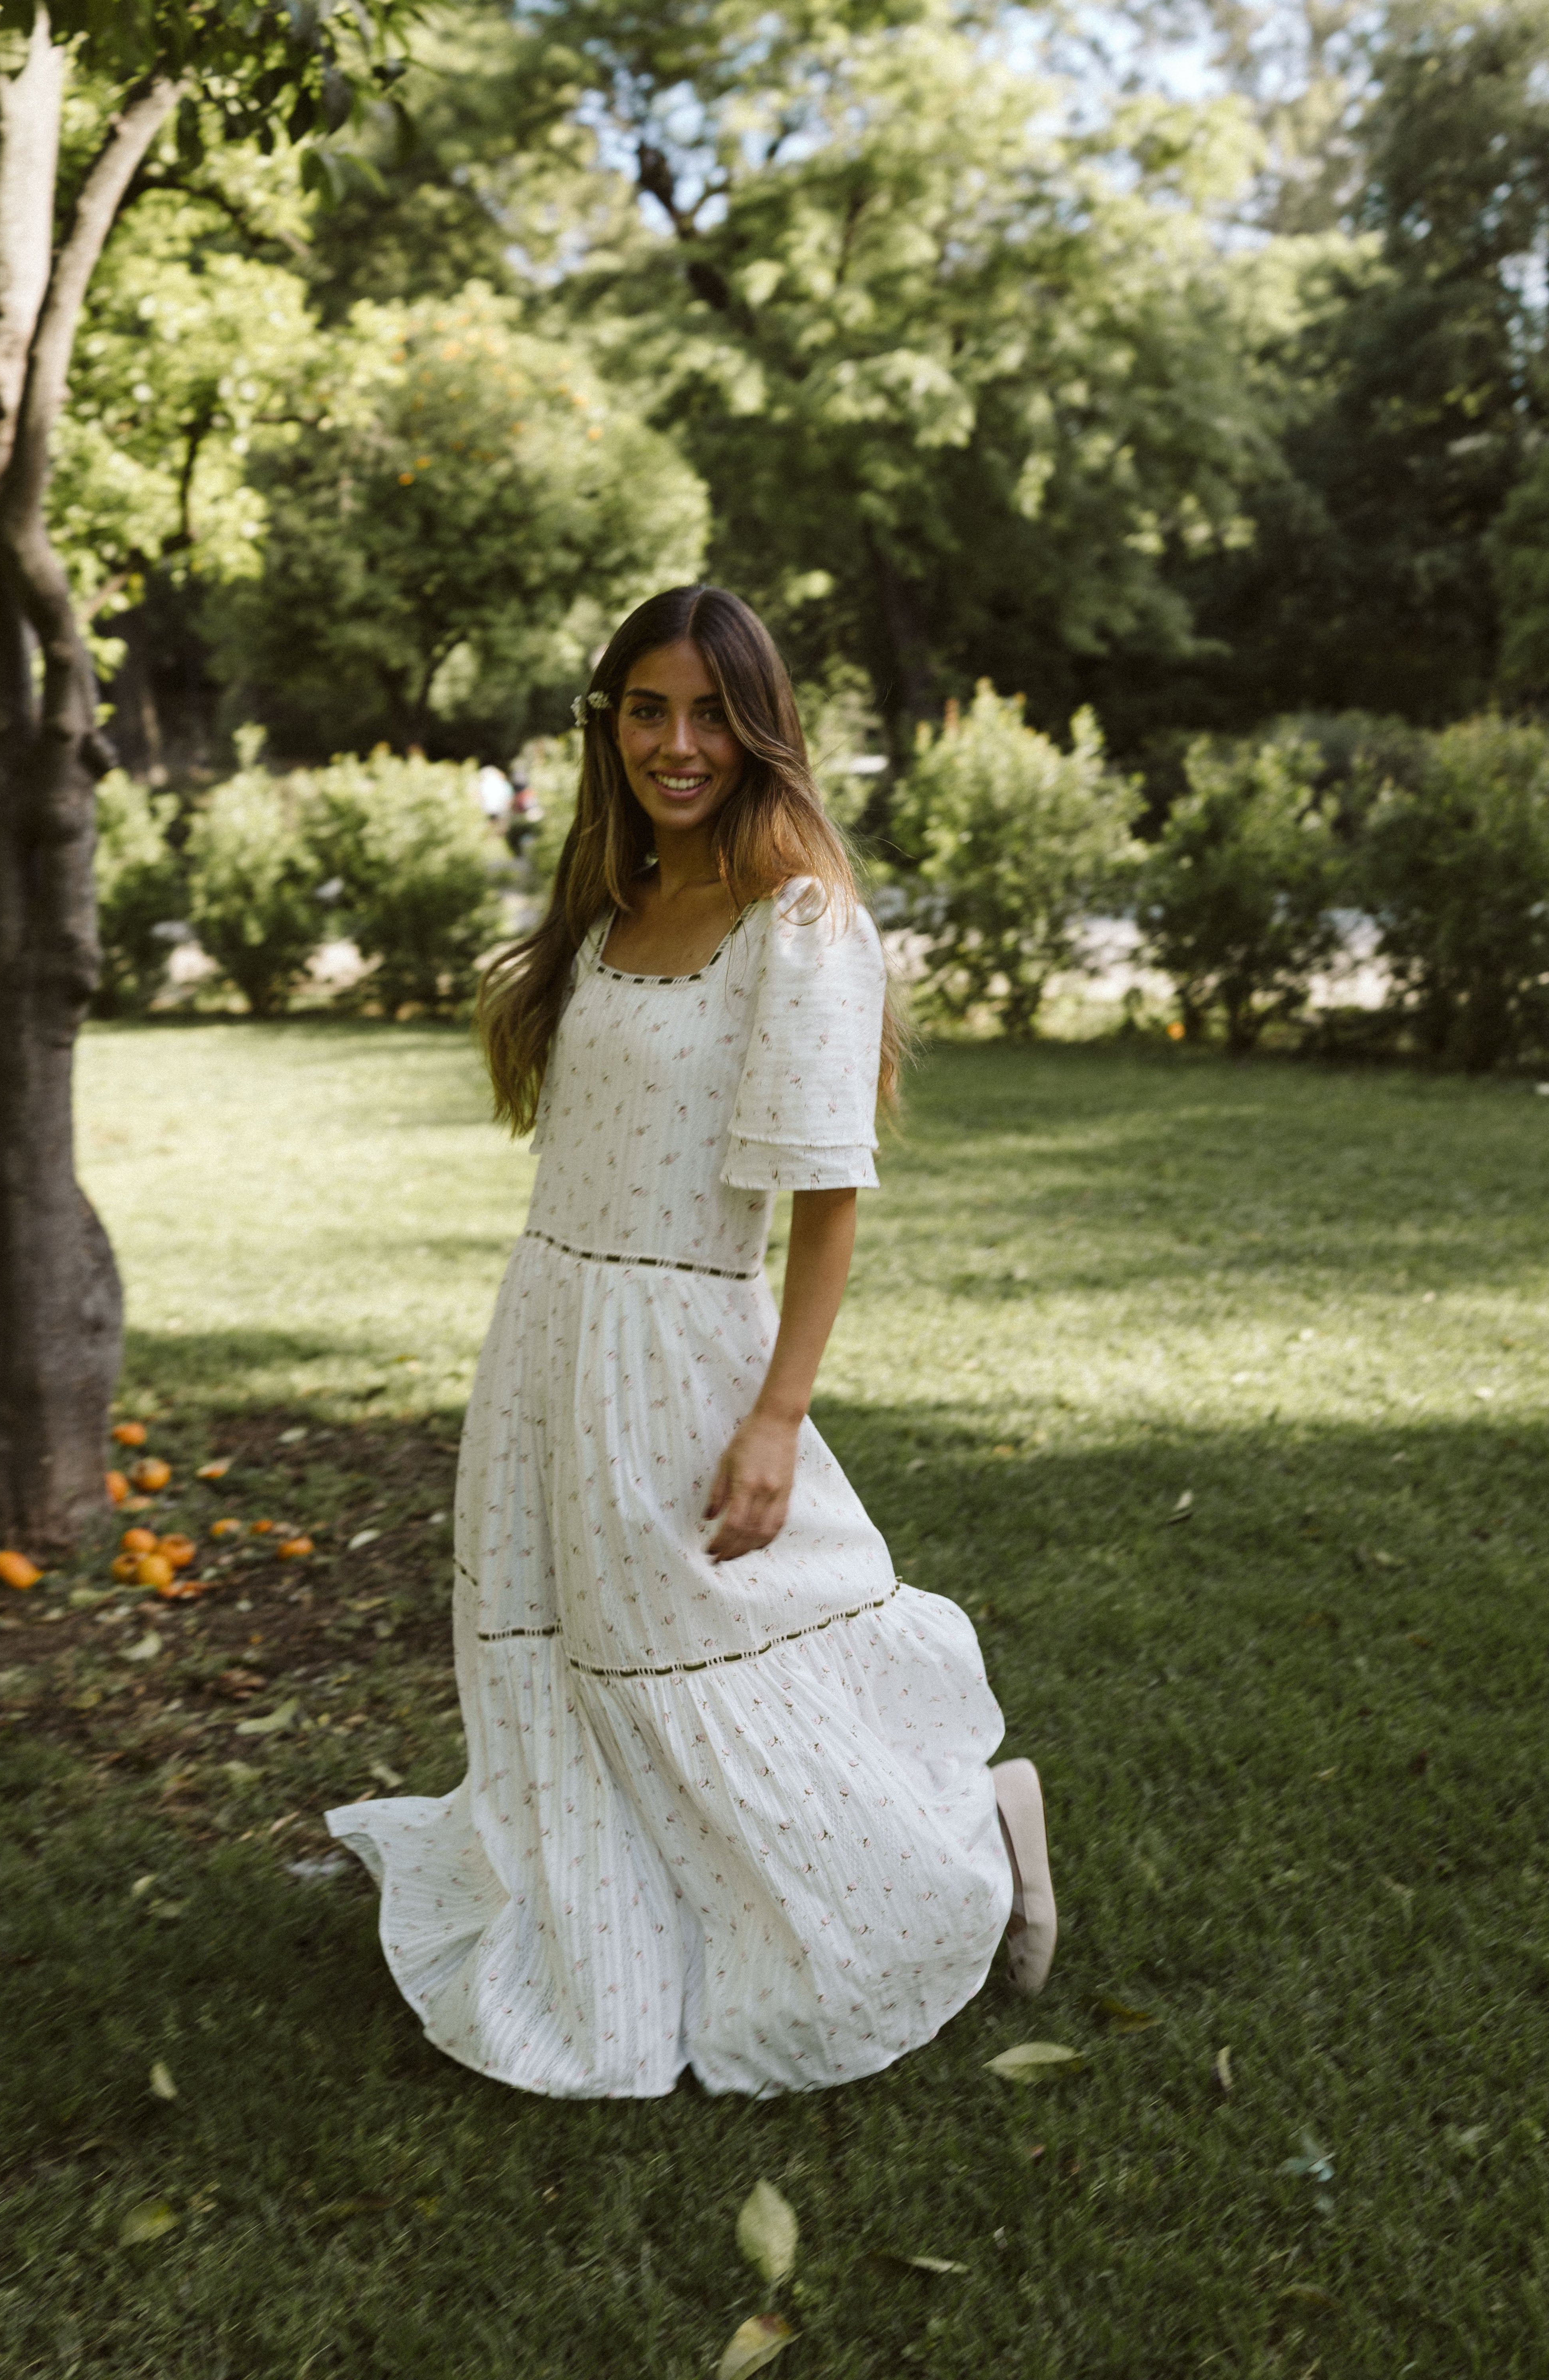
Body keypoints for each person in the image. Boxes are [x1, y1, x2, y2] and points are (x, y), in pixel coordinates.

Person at [325, 585, 1055, 2099]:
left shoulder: (799, 924)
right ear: (608, 725)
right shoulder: (610, 910)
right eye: (647, 710)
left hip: (677, 1339)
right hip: (547, 1330)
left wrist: (779, 1414)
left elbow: (827, 1200)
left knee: (699, 1658)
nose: (678, 743)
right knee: (572, 1657)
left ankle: (971, 1837)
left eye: (712, 713)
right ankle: (622, 1924)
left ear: (760, 727)